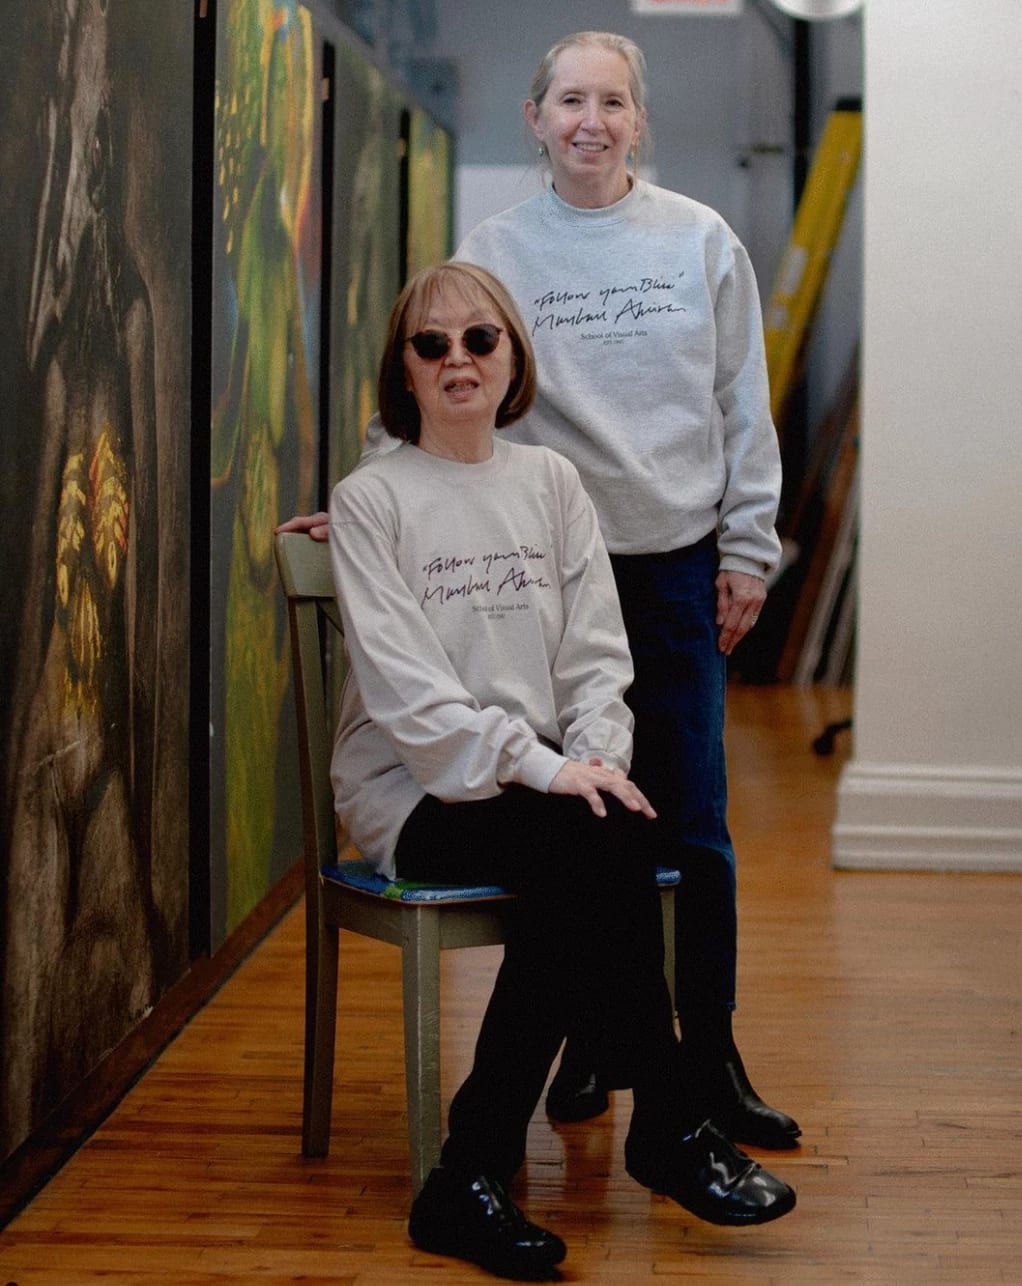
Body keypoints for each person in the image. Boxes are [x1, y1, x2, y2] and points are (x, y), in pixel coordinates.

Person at [278, 29, 800, 1153]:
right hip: (535, 555)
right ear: (534, 115)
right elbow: (438, 362)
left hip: (666, 563)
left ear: (637, 120)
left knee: (688, 827)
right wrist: (379, 489)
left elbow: (738, 402)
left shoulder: (697, 238)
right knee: (569, 810)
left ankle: (703, 1062)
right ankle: (596, 1049)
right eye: (569, 99)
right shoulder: (498, 246)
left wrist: (746, 546)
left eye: (611, 102)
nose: (589, 121)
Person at [326, 260, 794, 1281]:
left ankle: (470, 1169)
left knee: (597, 835)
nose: (457, 359)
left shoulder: (549, 482)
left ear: (512, 357)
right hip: (416, 787)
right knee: (592, 843)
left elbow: (595, 657)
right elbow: (413, 704)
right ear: (401, 369)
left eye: (479, 340)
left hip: (542, 780)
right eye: (431, 344)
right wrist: (545, 769)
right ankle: (665, 1119)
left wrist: (591, 760)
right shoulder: (370, 500)